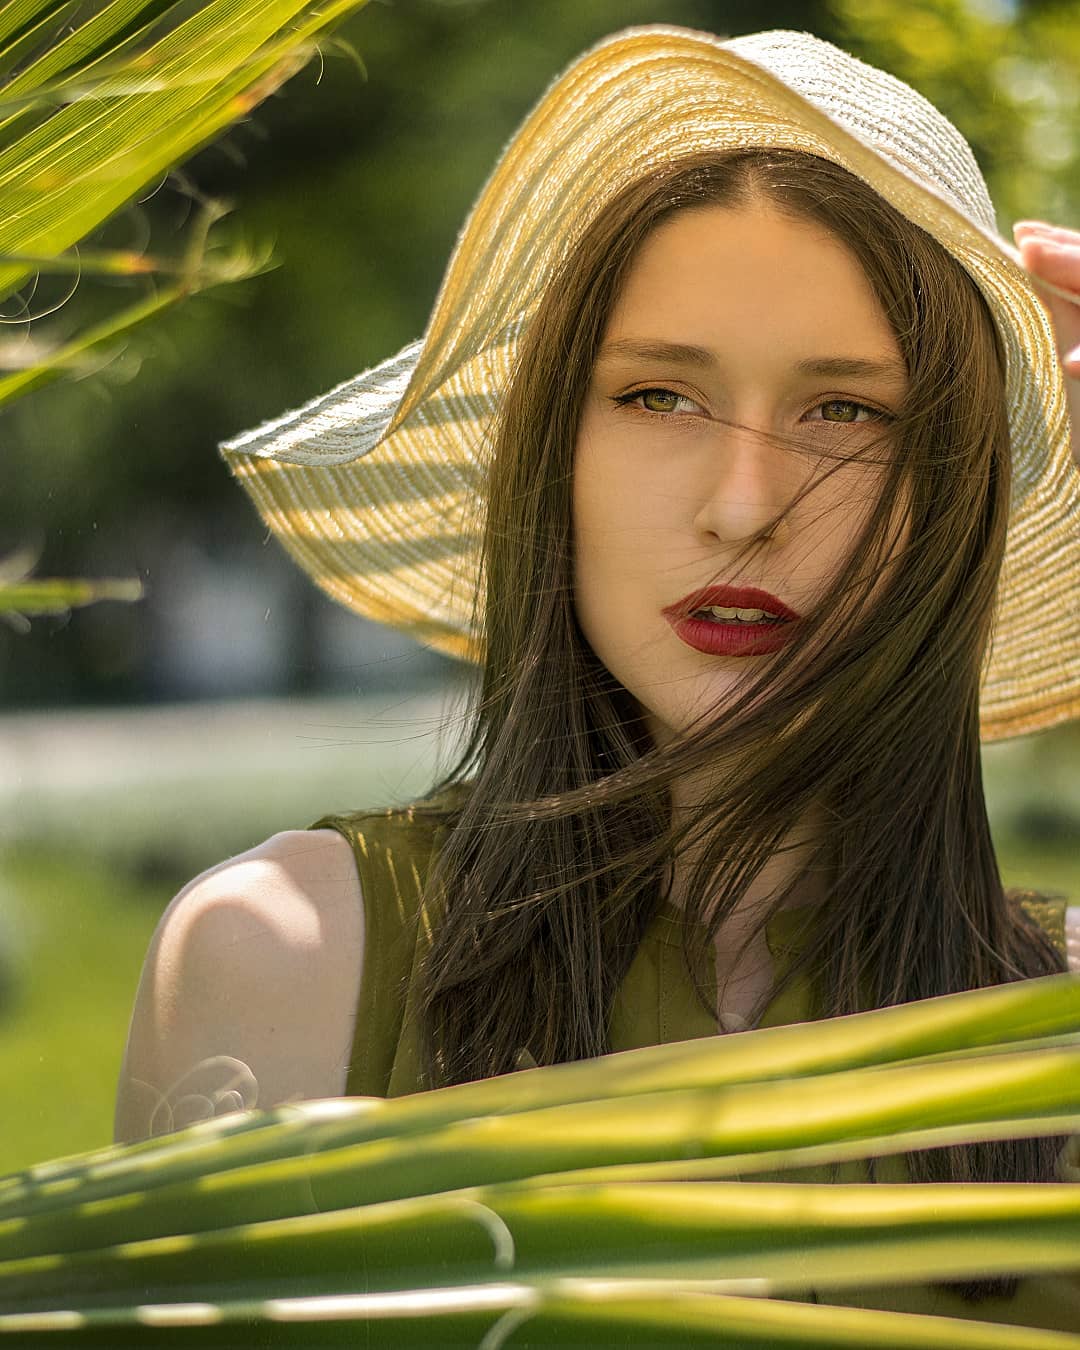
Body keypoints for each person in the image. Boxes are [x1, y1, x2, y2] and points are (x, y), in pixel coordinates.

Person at [114, 24, 1080, 1324]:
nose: (746, 504)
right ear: (550, 456)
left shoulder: (1056, 1038)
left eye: (846, 411)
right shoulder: (291, 962)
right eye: (659, 398)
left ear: (959, 495)